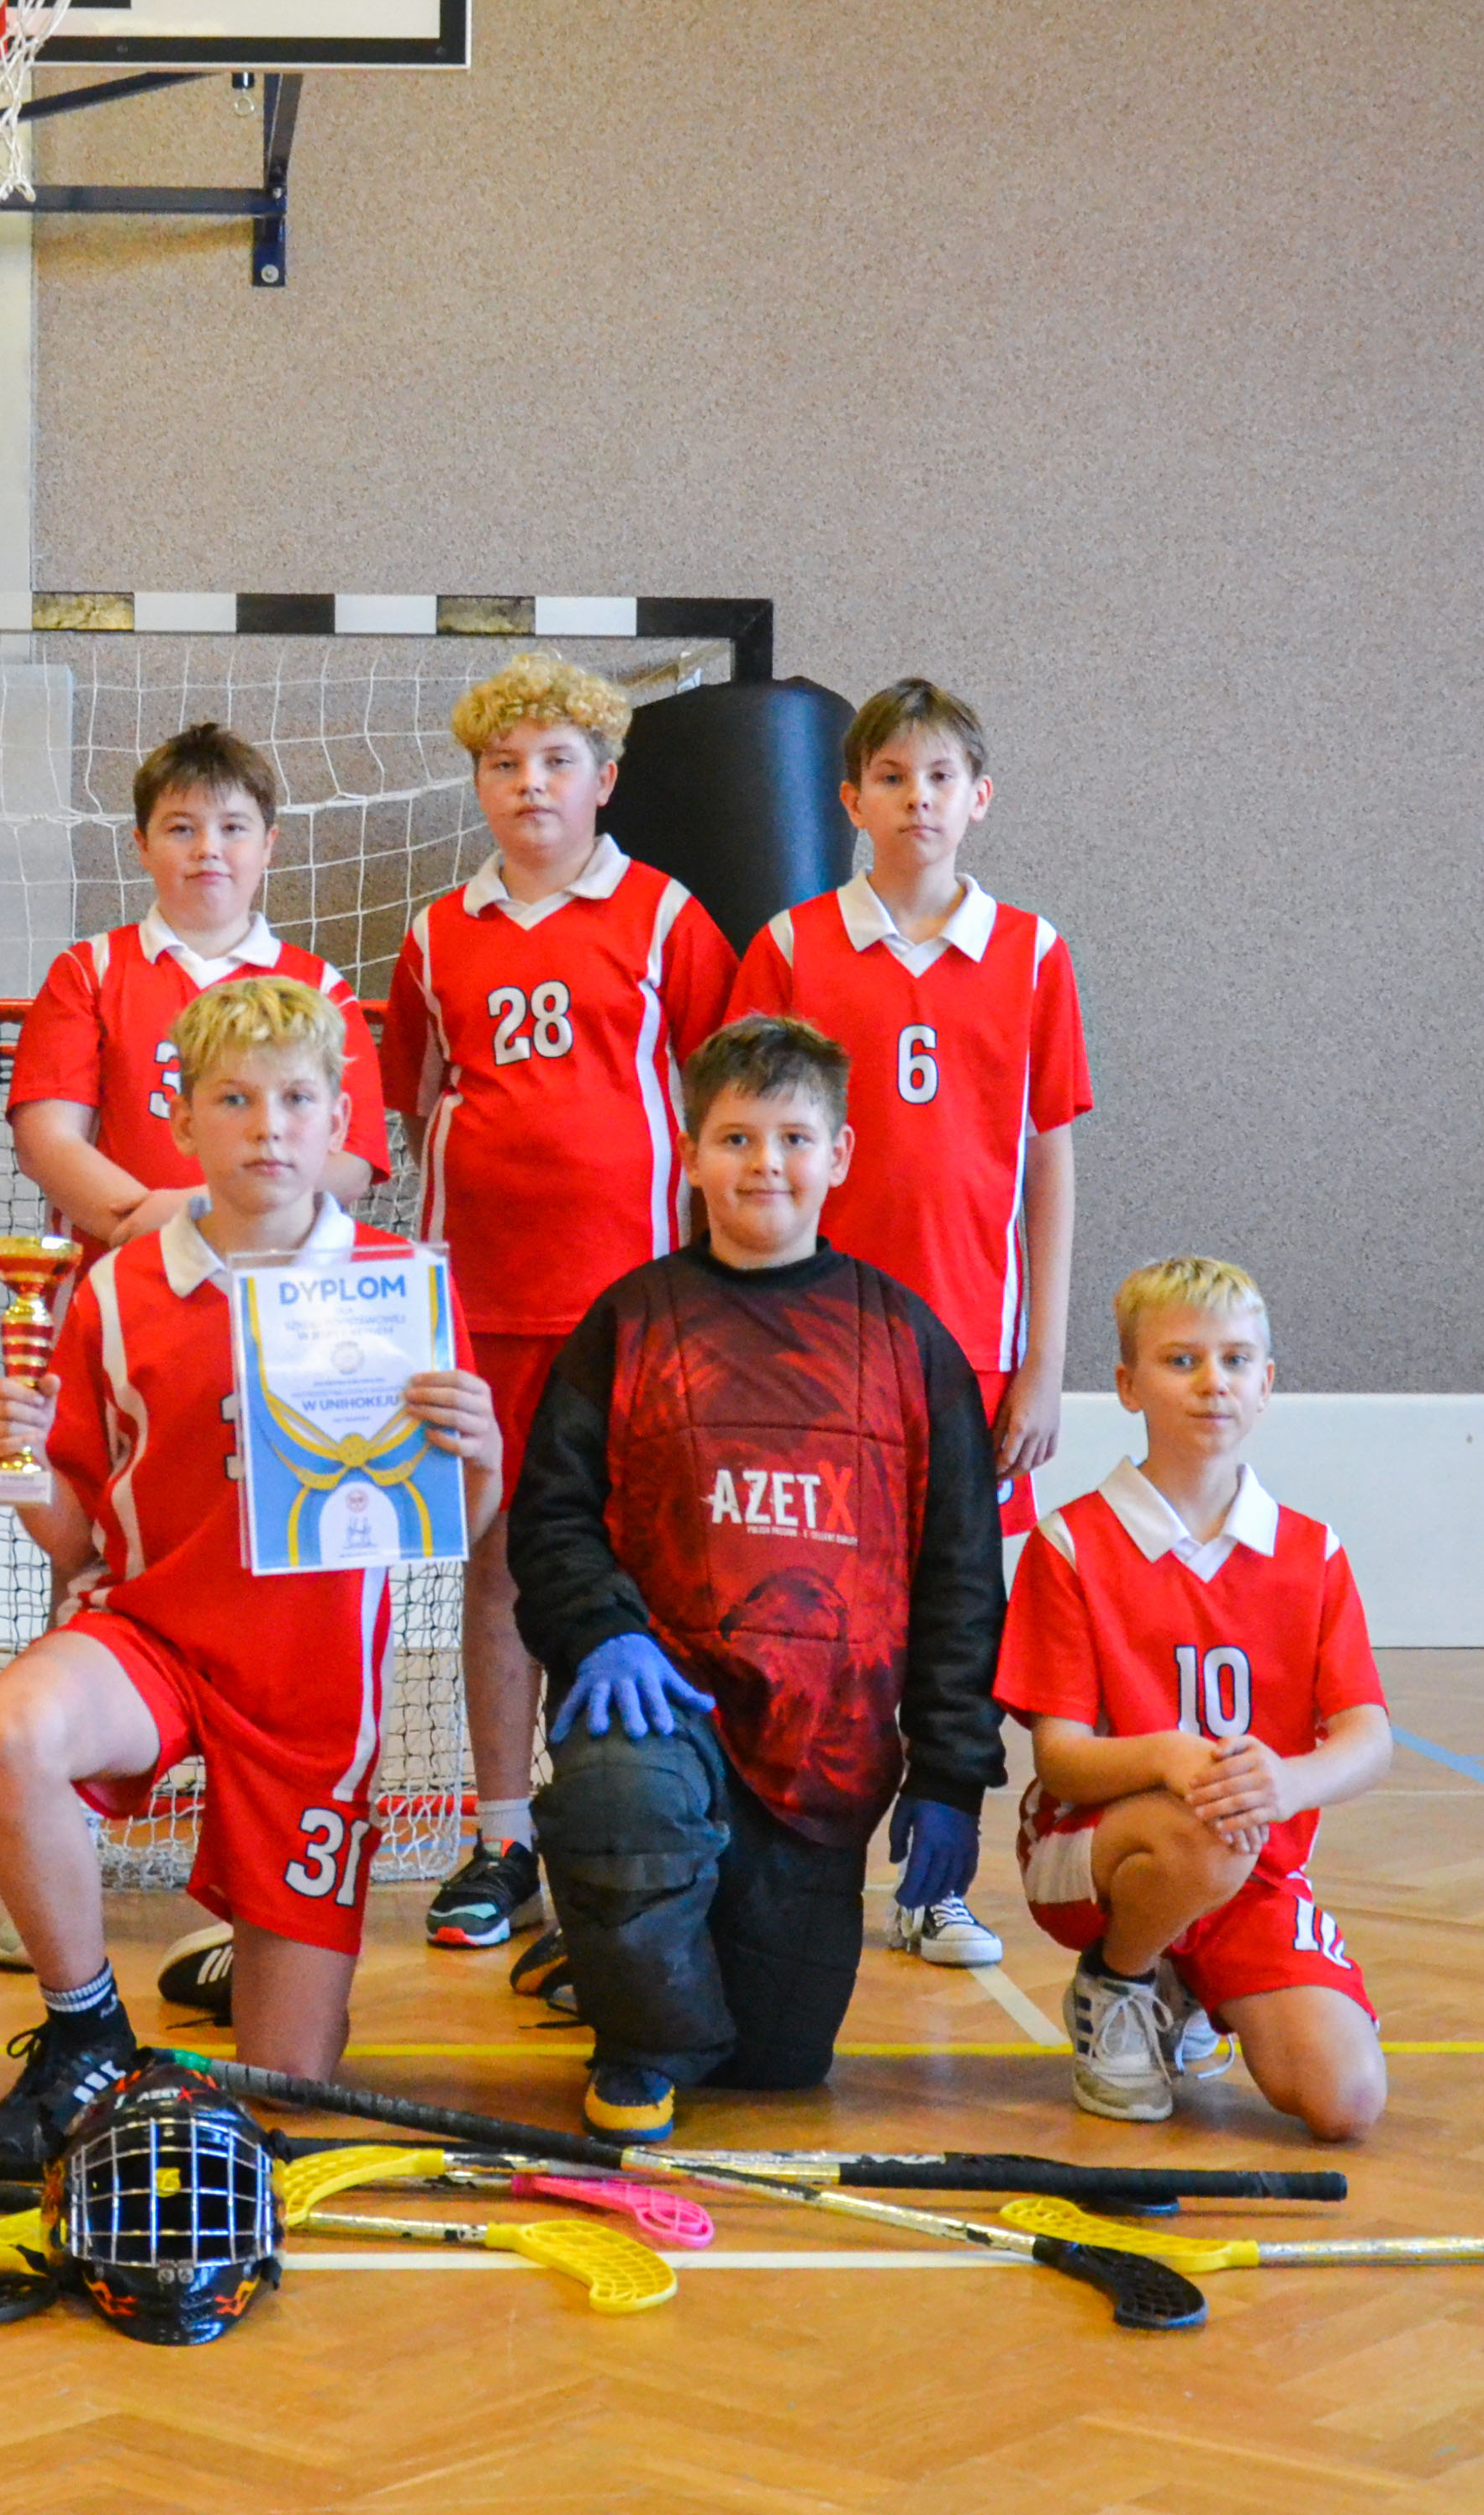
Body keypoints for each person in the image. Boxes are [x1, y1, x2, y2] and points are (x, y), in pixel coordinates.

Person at [0, 977, 502, 2161]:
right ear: (181, 1119)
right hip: (152, 1637)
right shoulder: (115, 1289)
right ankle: (86, 2026)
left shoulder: (396, 1285)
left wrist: (484, 1450)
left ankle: (245, 1954)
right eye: (235, 1100)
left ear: (340, 1120)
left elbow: (455, 1520)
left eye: (298, 1100)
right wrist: (16, 1458)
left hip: (313, 1690)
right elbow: (75, 1540)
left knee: (287, 2093)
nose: (268, 1127)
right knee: (10, 1734)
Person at [505, 1016, 1005, 2144]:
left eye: (792, 1138)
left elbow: (963, 1574)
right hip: (662, 1707)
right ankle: (638, 2034)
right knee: (617, 1807)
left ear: (840, 1154)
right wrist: (604, 1632)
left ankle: (629, 1960)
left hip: (824, 1749)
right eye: (735, 1138)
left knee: (777, 2064)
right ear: (690, 1154)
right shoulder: (628, 1322)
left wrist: (952, 1772)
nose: (764, 1164)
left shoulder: (909, 1341)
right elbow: (549, 1516)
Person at [725, 674, 1092, 1973]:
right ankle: (804, 1865)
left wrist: (1043, 1362)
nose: (917, 799)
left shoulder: (1033, 953)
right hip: (821, 1350)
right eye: (892, 777)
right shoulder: (791, 947)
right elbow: (746, 1151)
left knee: (957, 1632)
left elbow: (1049, 1163)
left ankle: (939, 1882)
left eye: (940, 778)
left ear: (978, 798)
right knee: (820, 1620)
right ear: (851, 798)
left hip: (973, 1357)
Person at [383, 653, 737, 1952]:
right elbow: (411, 1106)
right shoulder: (438, 933)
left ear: (606, 779)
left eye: (555, 761)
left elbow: (724, 1102)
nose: (529, 784)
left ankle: (622, 1825)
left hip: (628, 1312)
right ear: (479, 783)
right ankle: (501, 1838)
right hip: (474, 1312)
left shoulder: (666, 918)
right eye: (504, 763)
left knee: (628, 1566)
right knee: (495, 1563)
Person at [994, 1255, 1392, 2140]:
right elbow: (1060, 1759)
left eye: (1236, 1360)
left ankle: (1191, 1983)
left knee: (1347, 2100)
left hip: (1256, 1865)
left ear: (1266, 1384)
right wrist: (1174, 1757)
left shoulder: (1312, 1553)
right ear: (1128, 1385)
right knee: (1208, 1828)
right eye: (1182, 1361)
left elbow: (1369, 1739)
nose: (1213, 1382)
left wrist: (1286, 1782)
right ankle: (1120, 1977)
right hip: (1096, 1851)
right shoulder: (1072, 1544)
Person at [8, 721, 387, 1250]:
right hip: (119, 1268)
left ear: (269, 844)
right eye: (181, 829)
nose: (208, 848)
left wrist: (217, 1219)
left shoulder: (321, 987)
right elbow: (47, 1140)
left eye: (233, 828)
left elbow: (353, 1158)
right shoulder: (89, 971)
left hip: (272, 1277)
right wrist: (150, 1228)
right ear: (142, 845)